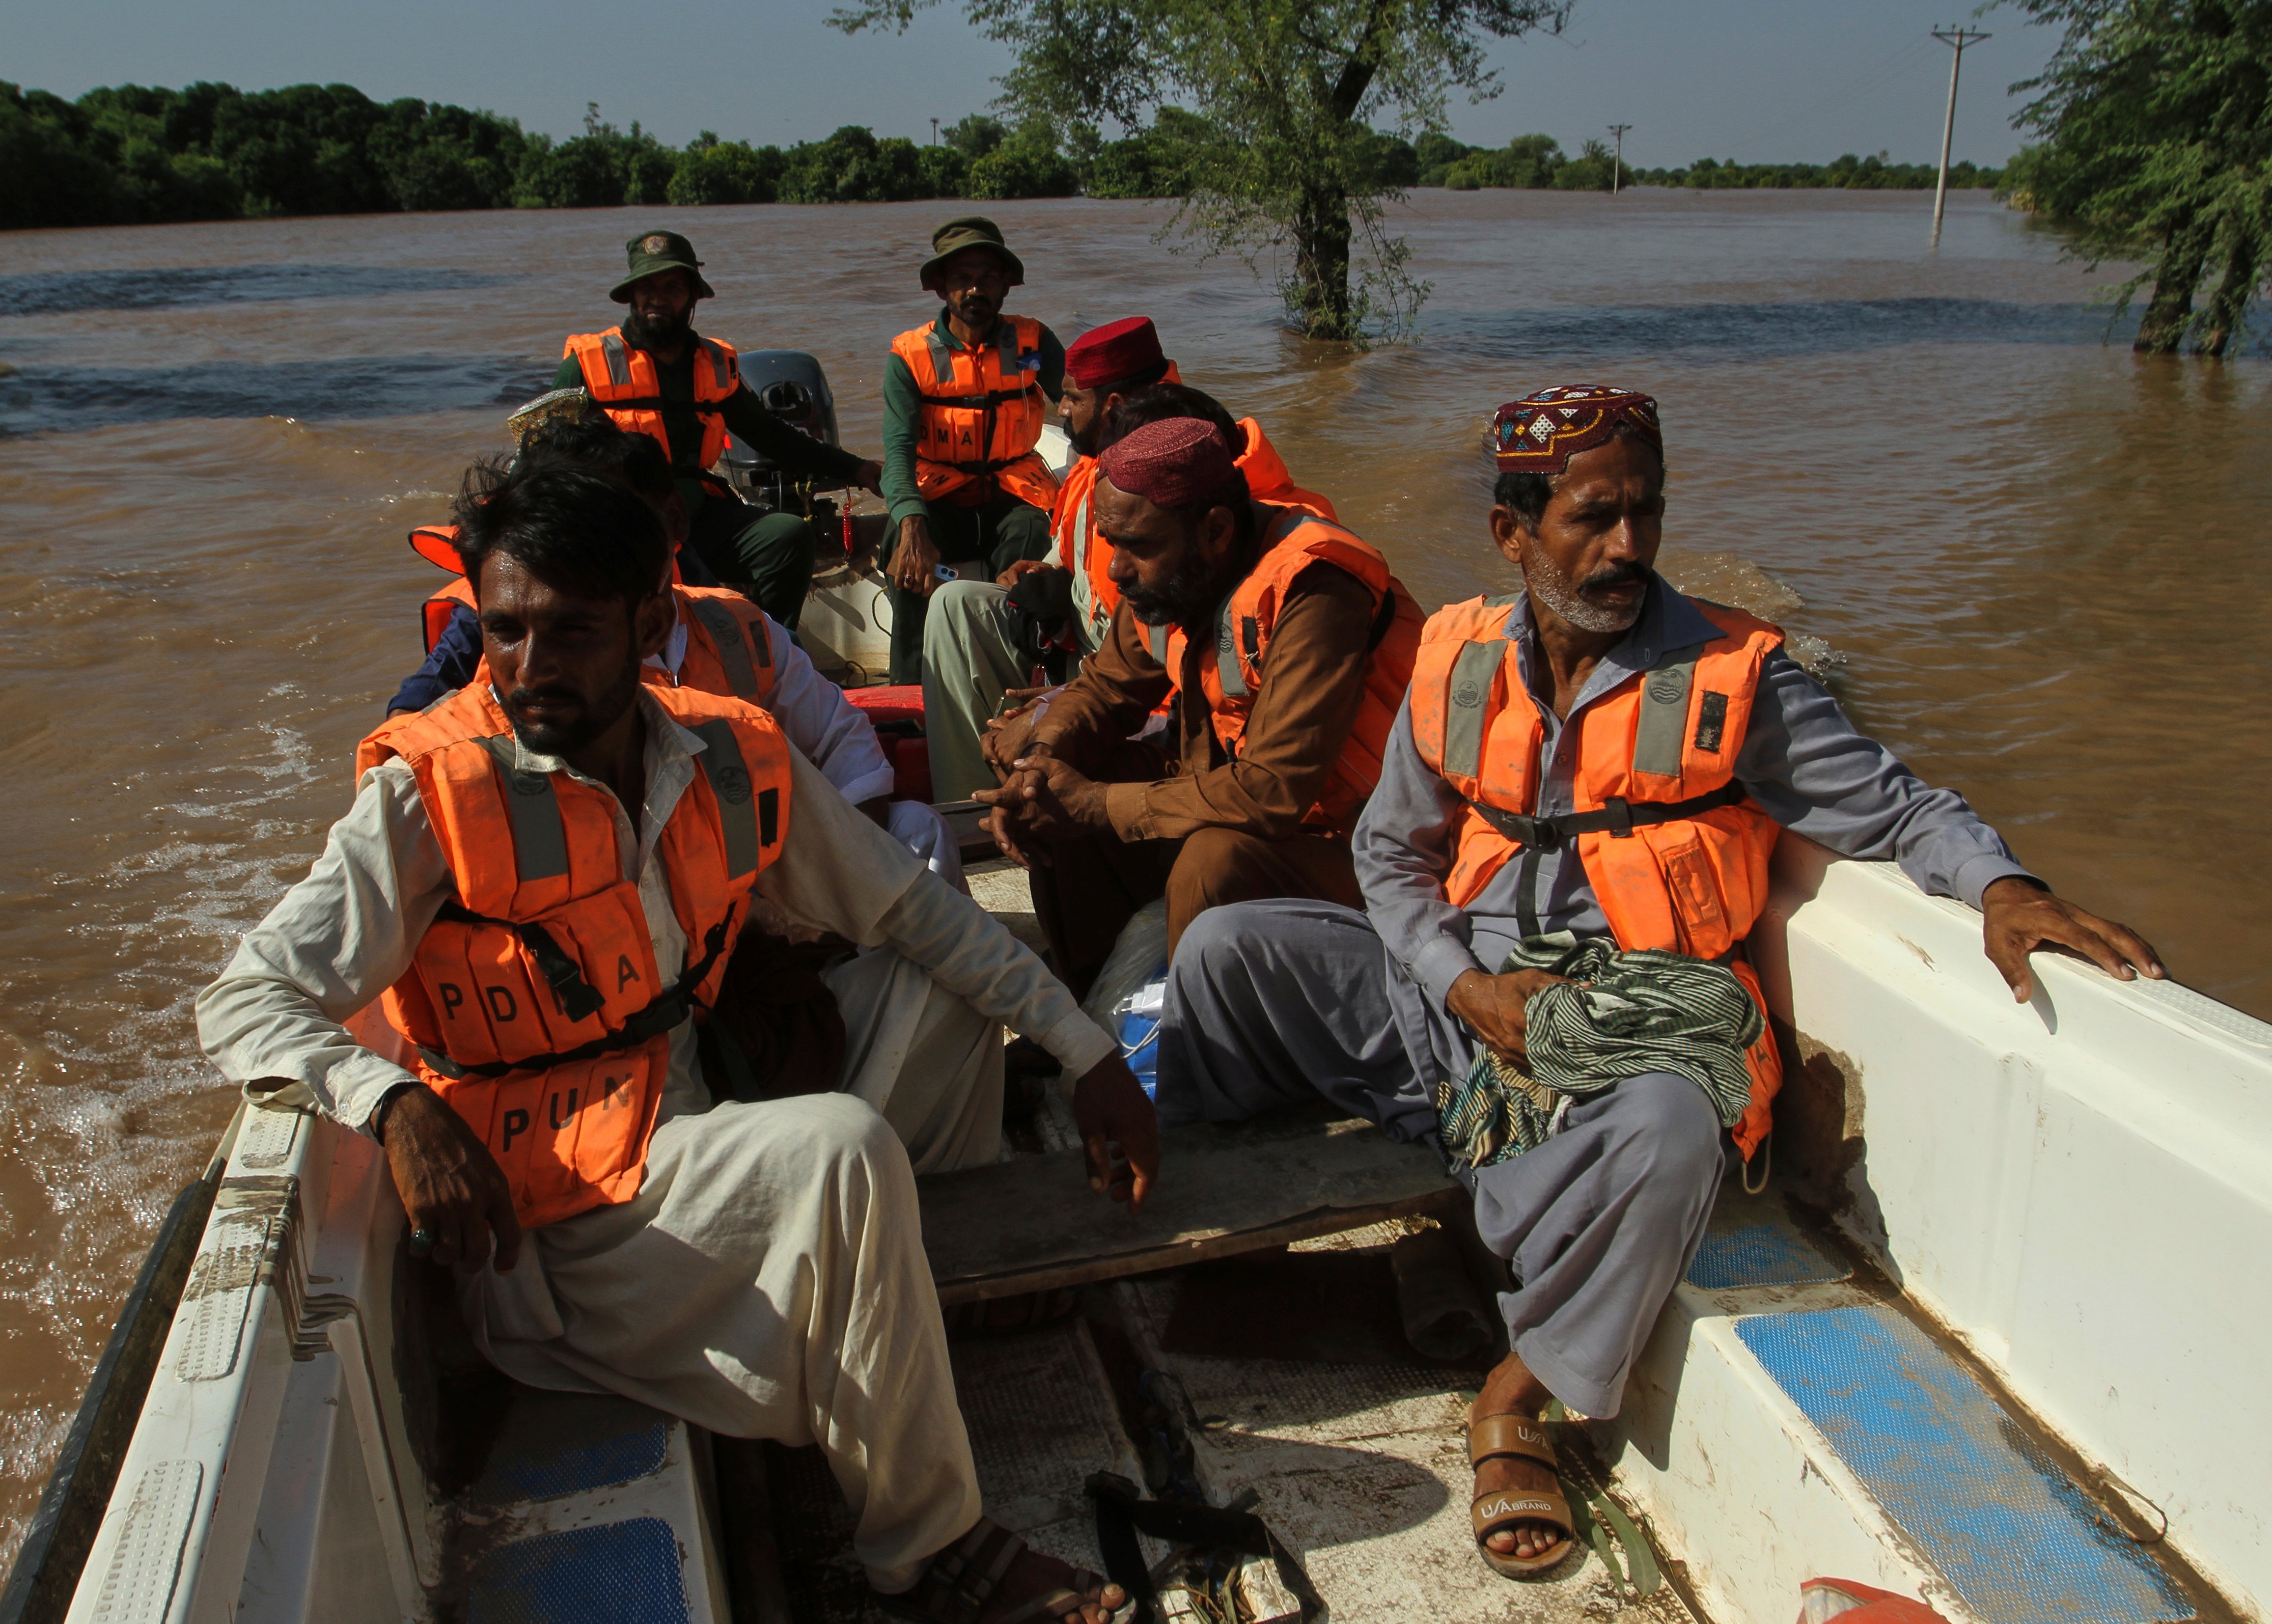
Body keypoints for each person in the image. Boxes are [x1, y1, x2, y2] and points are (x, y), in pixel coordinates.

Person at [1153, 384, 2167, 1579]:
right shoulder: (1455, 656)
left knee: (1678, 1127)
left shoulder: (1738, 675)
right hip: (1457, 1008)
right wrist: (1460, 983)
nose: (1627, 544)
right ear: (1511, 532)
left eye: (1646, 511)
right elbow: (1389, 855)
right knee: (1226, 952)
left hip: (1613, 1036)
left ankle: (1519, 1389)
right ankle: (1238, 1255)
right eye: (1593, 516)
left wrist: (2003, 885)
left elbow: (1899, 808)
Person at [197, 458, 1162, 1622]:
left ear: (651, 621)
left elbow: (910, 909)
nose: (530, 666)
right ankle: (934, 1545)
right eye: (503, 630)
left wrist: (1086, 1052)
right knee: (841, 1151)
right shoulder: (432, 795)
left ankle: (918, 1305)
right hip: (555, 1236)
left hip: (683, 1125)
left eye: (571, 631)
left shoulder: (722, 751)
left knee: (944, 987)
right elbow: (244, 996)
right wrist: (396, 1105)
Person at [388, 413, 967, 887]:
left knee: (917, 832)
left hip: (752, 864)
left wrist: (840, 866)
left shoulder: (734, 626)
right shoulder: (495, 651)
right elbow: (410, 731)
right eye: (508, 630)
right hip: (606, 888)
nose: (533, 662)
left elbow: (842, 740)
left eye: (613, 523)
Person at [975, 417, 1425, 997]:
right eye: (1112, 543)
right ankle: (1091, 1012)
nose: (1115, 569)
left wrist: (1096, 805)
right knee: (1059, 797)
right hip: (1249, 797)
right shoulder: (1166, 578)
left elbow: (1272, 792)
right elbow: (1104, 692)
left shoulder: (1315, 589)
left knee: (1213, 859)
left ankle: (1192, 1040)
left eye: (1137, 546)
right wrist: (1038, 766)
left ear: (1215, 530)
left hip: (1362, 843)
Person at [920, 319, 1334, 803]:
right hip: (1103, 657)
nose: (1061, 409)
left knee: (1059, 771)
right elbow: (1113, 658)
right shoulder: (1102, 467)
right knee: (956, 605)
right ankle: (968, 807)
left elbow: (1199, 686)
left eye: (1072, 398)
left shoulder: (1217, 516)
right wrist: (1047, 576)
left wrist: (1060, 720)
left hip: (1174, 702)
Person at [550, 229, 884, 630]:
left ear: (693, 296)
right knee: (695, 602)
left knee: (788, 534)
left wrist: (856, 469)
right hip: (622, 522)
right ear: (632, 295)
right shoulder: (587, 364)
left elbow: (771, 435)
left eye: (672, 287)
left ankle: (773, 645)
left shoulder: (714, 364)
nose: (658, 297)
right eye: (647, 287)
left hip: (698, 516)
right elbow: (548, 455)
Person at [879, 217, 1064, 684]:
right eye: (962, 278)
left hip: (1012, 494)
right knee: (902, 547)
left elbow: (1079, 404)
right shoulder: (909, 355)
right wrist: (912, 523)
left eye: (987, 277)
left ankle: (1019, 681)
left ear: (1006, 285)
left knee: (1034, 535)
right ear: (941, 287)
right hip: (941, 498)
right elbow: (897, 451)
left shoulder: (1034, 341)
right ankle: (910, 690)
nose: (975, 289)